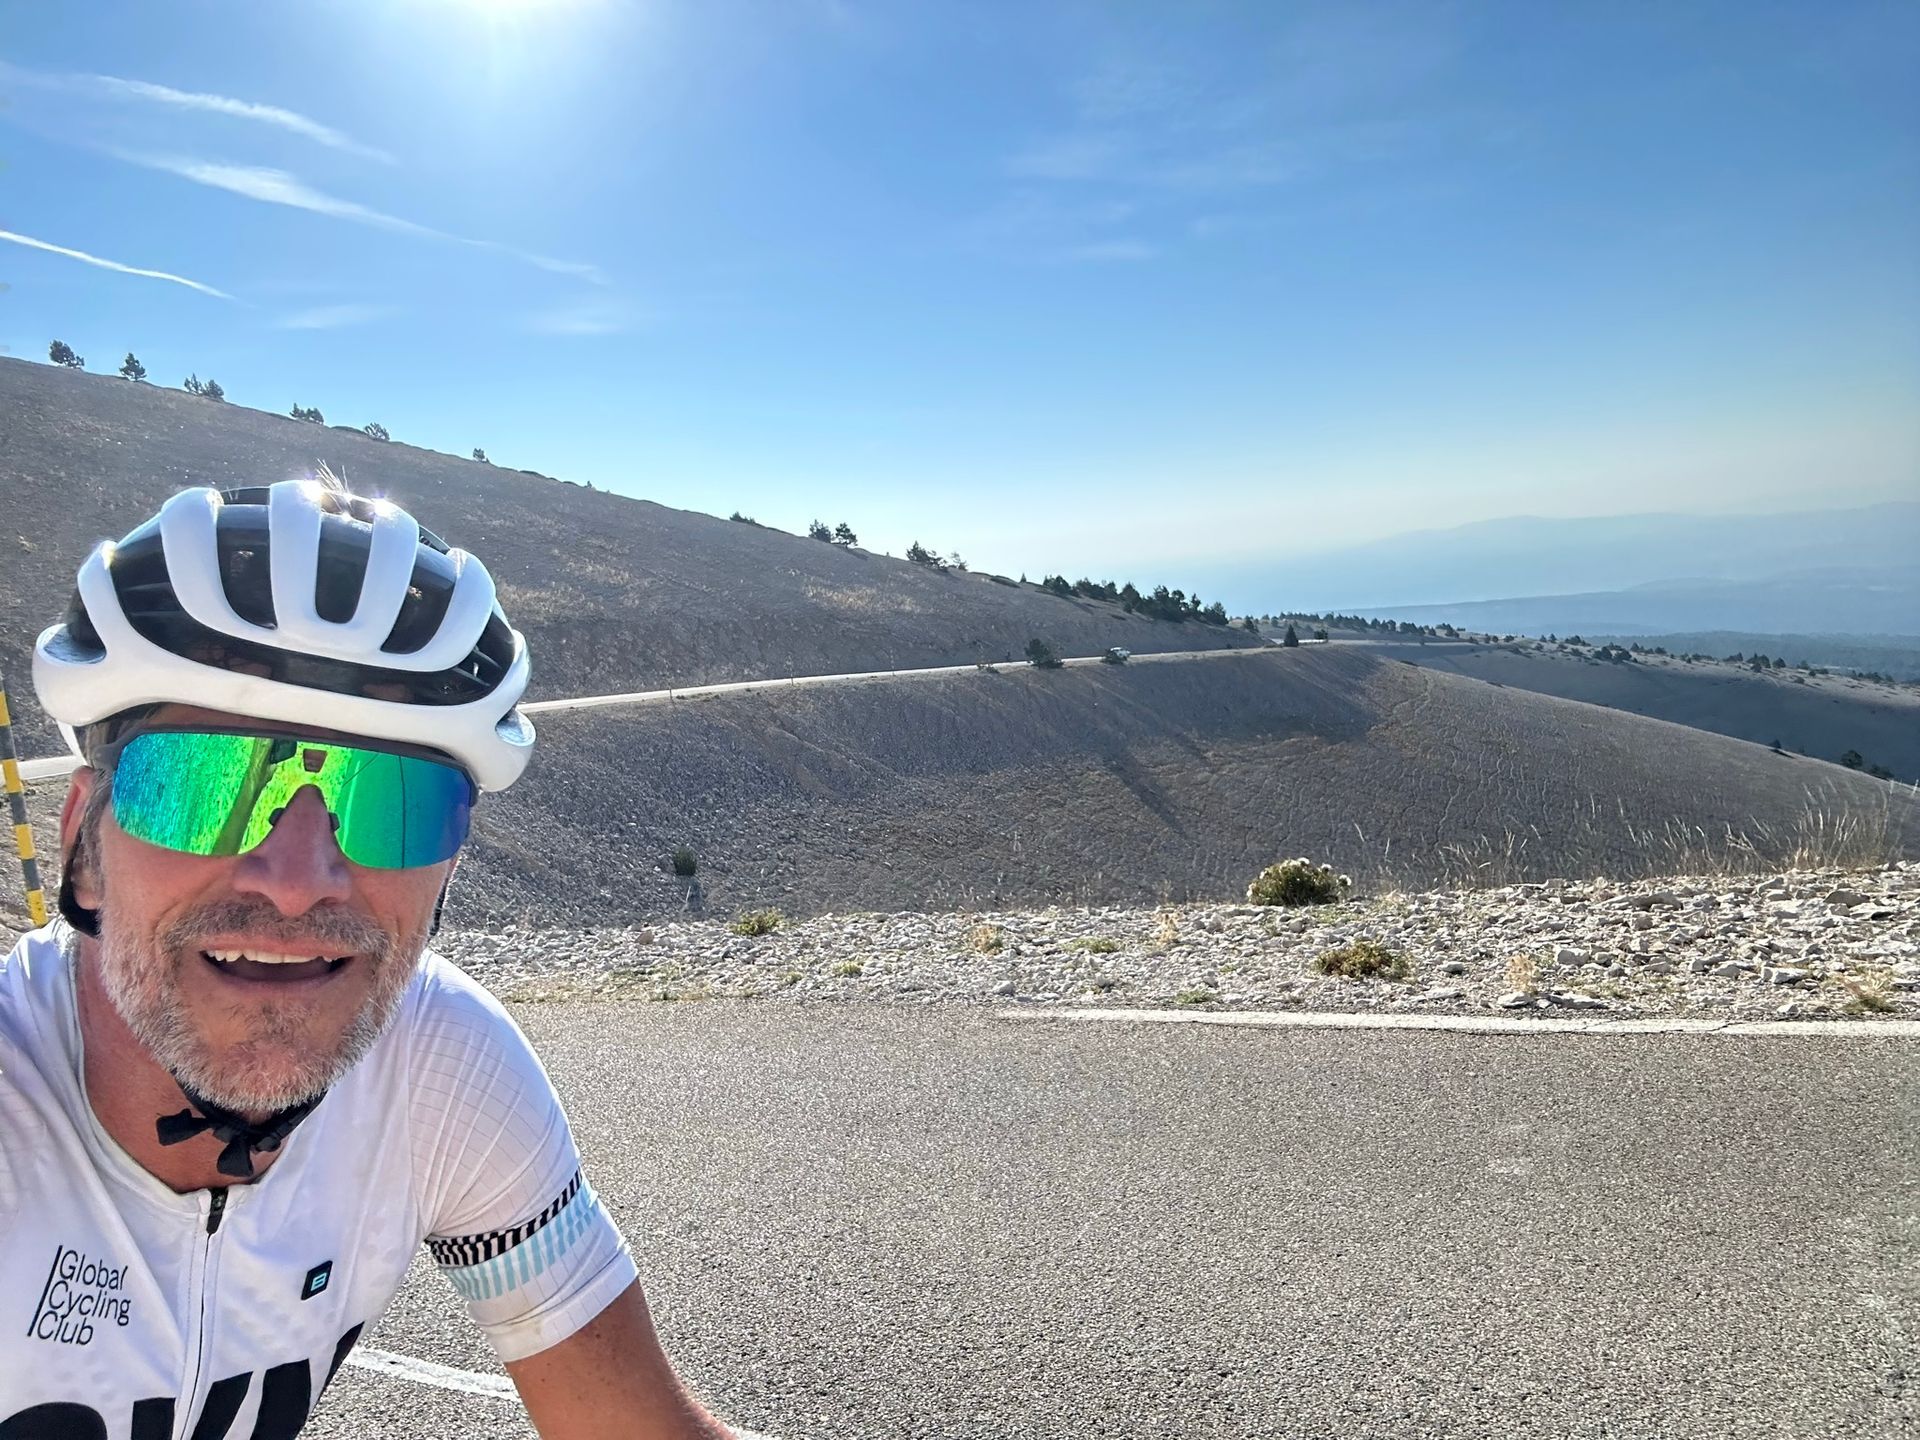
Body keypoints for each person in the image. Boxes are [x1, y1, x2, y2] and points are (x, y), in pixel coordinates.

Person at [0, 476, 736, 1438]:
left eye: (391, 802)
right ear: (85, 849)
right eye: (204, 782)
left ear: (448, 876)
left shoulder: (439, 1066)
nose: (299, 882)